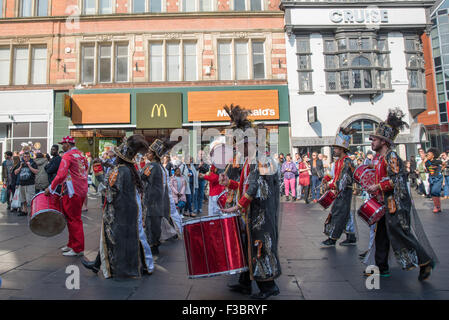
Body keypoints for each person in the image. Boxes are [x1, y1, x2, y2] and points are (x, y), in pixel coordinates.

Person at [365, 109, 437, 280]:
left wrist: (377, 186)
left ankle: (425, 260)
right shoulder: (380, 159)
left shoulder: (391, 157)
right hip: (384, 202)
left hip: (394, 203)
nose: (371, 142)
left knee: (400, 233)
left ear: (384, 141)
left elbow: (396, 180)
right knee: (381, 234)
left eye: (374, 139)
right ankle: (381, 267)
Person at [219, 104, 281, 300]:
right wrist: (229, 182)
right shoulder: (250, 160)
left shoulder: (260, 159)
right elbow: (246, 185)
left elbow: (253, 189)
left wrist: (238, 206)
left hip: (260, 215)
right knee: (248, 247)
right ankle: (245, 283)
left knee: (260, 247)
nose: (236, 147)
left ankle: (269, 287)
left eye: (239, 143)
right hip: (251, 214)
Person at [82, 135, 154, 278]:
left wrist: (99, 174)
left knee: (113, 236)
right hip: (132, 207)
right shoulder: (129, 169)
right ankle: (98, 264)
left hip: (120, 210)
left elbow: (108, 191)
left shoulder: (120, 170)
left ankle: (144, 265)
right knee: (137, 236)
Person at [45, 136, 88, 257]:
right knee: (72, 218)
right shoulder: (80, 155)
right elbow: (85, 170)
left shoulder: (68, 156)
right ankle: (72, 244)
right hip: (80, 189)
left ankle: (78, 248)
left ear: (67, 144)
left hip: (72, 191)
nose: (62, 146)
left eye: (63, 144)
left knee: (74, 219)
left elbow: (60, 175)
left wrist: (51, 188)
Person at [142, 138, 179, 255]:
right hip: (159, 201)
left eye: (149, 153)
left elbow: (141, 177)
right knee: (156, 224)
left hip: (152, 202)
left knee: (151, 225)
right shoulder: (160, 167)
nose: (147, 154)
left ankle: (153, 247)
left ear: (154, 155)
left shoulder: (151, 166)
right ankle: (155, 245)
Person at [321, 127, 357, 247]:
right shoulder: (337, 162)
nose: (334, 150)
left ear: (342, 149)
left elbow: (343, 181)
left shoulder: (347, 162)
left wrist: (329, 185)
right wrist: (326, 179)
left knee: (338, 213)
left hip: (344, 192)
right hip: (339, 192)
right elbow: (333, 174)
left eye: (336, 148)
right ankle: (351, 236)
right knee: (345, 213)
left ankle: (333, 238)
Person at [14, 152, 38, 217]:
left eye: (27, 157)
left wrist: (29, 166)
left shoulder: (33, 163)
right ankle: (24, 211)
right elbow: (15, 172)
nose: (26, 158)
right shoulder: (20, 163)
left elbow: (36, 171)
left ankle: (32, 211)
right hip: (22, 183)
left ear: (29, 157)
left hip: (30, 183)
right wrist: (20, 166)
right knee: (23, 198)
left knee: (30, 199)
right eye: (25, 157)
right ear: (23, 157)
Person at [425, 148, 443, 213]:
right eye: (427, 155)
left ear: (433, 155)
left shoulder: (437, 161)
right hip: (431, 178)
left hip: (438, 178)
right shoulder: (427, 163)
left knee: (435, 191)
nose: (428, 156)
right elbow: (427, 169)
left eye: (429, 155)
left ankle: (436, 207)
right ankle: (438, 206)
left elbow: (444, 164)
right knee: (434, 193)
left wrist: (441, 170)